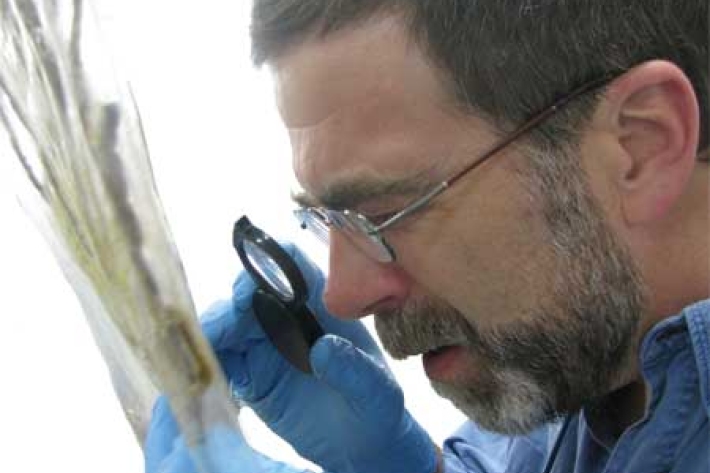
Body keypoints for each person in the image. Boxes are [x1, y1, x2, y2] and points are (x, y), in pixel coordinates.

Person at [144, 1, 709, 472]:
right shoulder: (580, 357)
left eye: (389, 212)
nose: (343, 296)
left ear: (641, 146)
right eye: (332, 219)